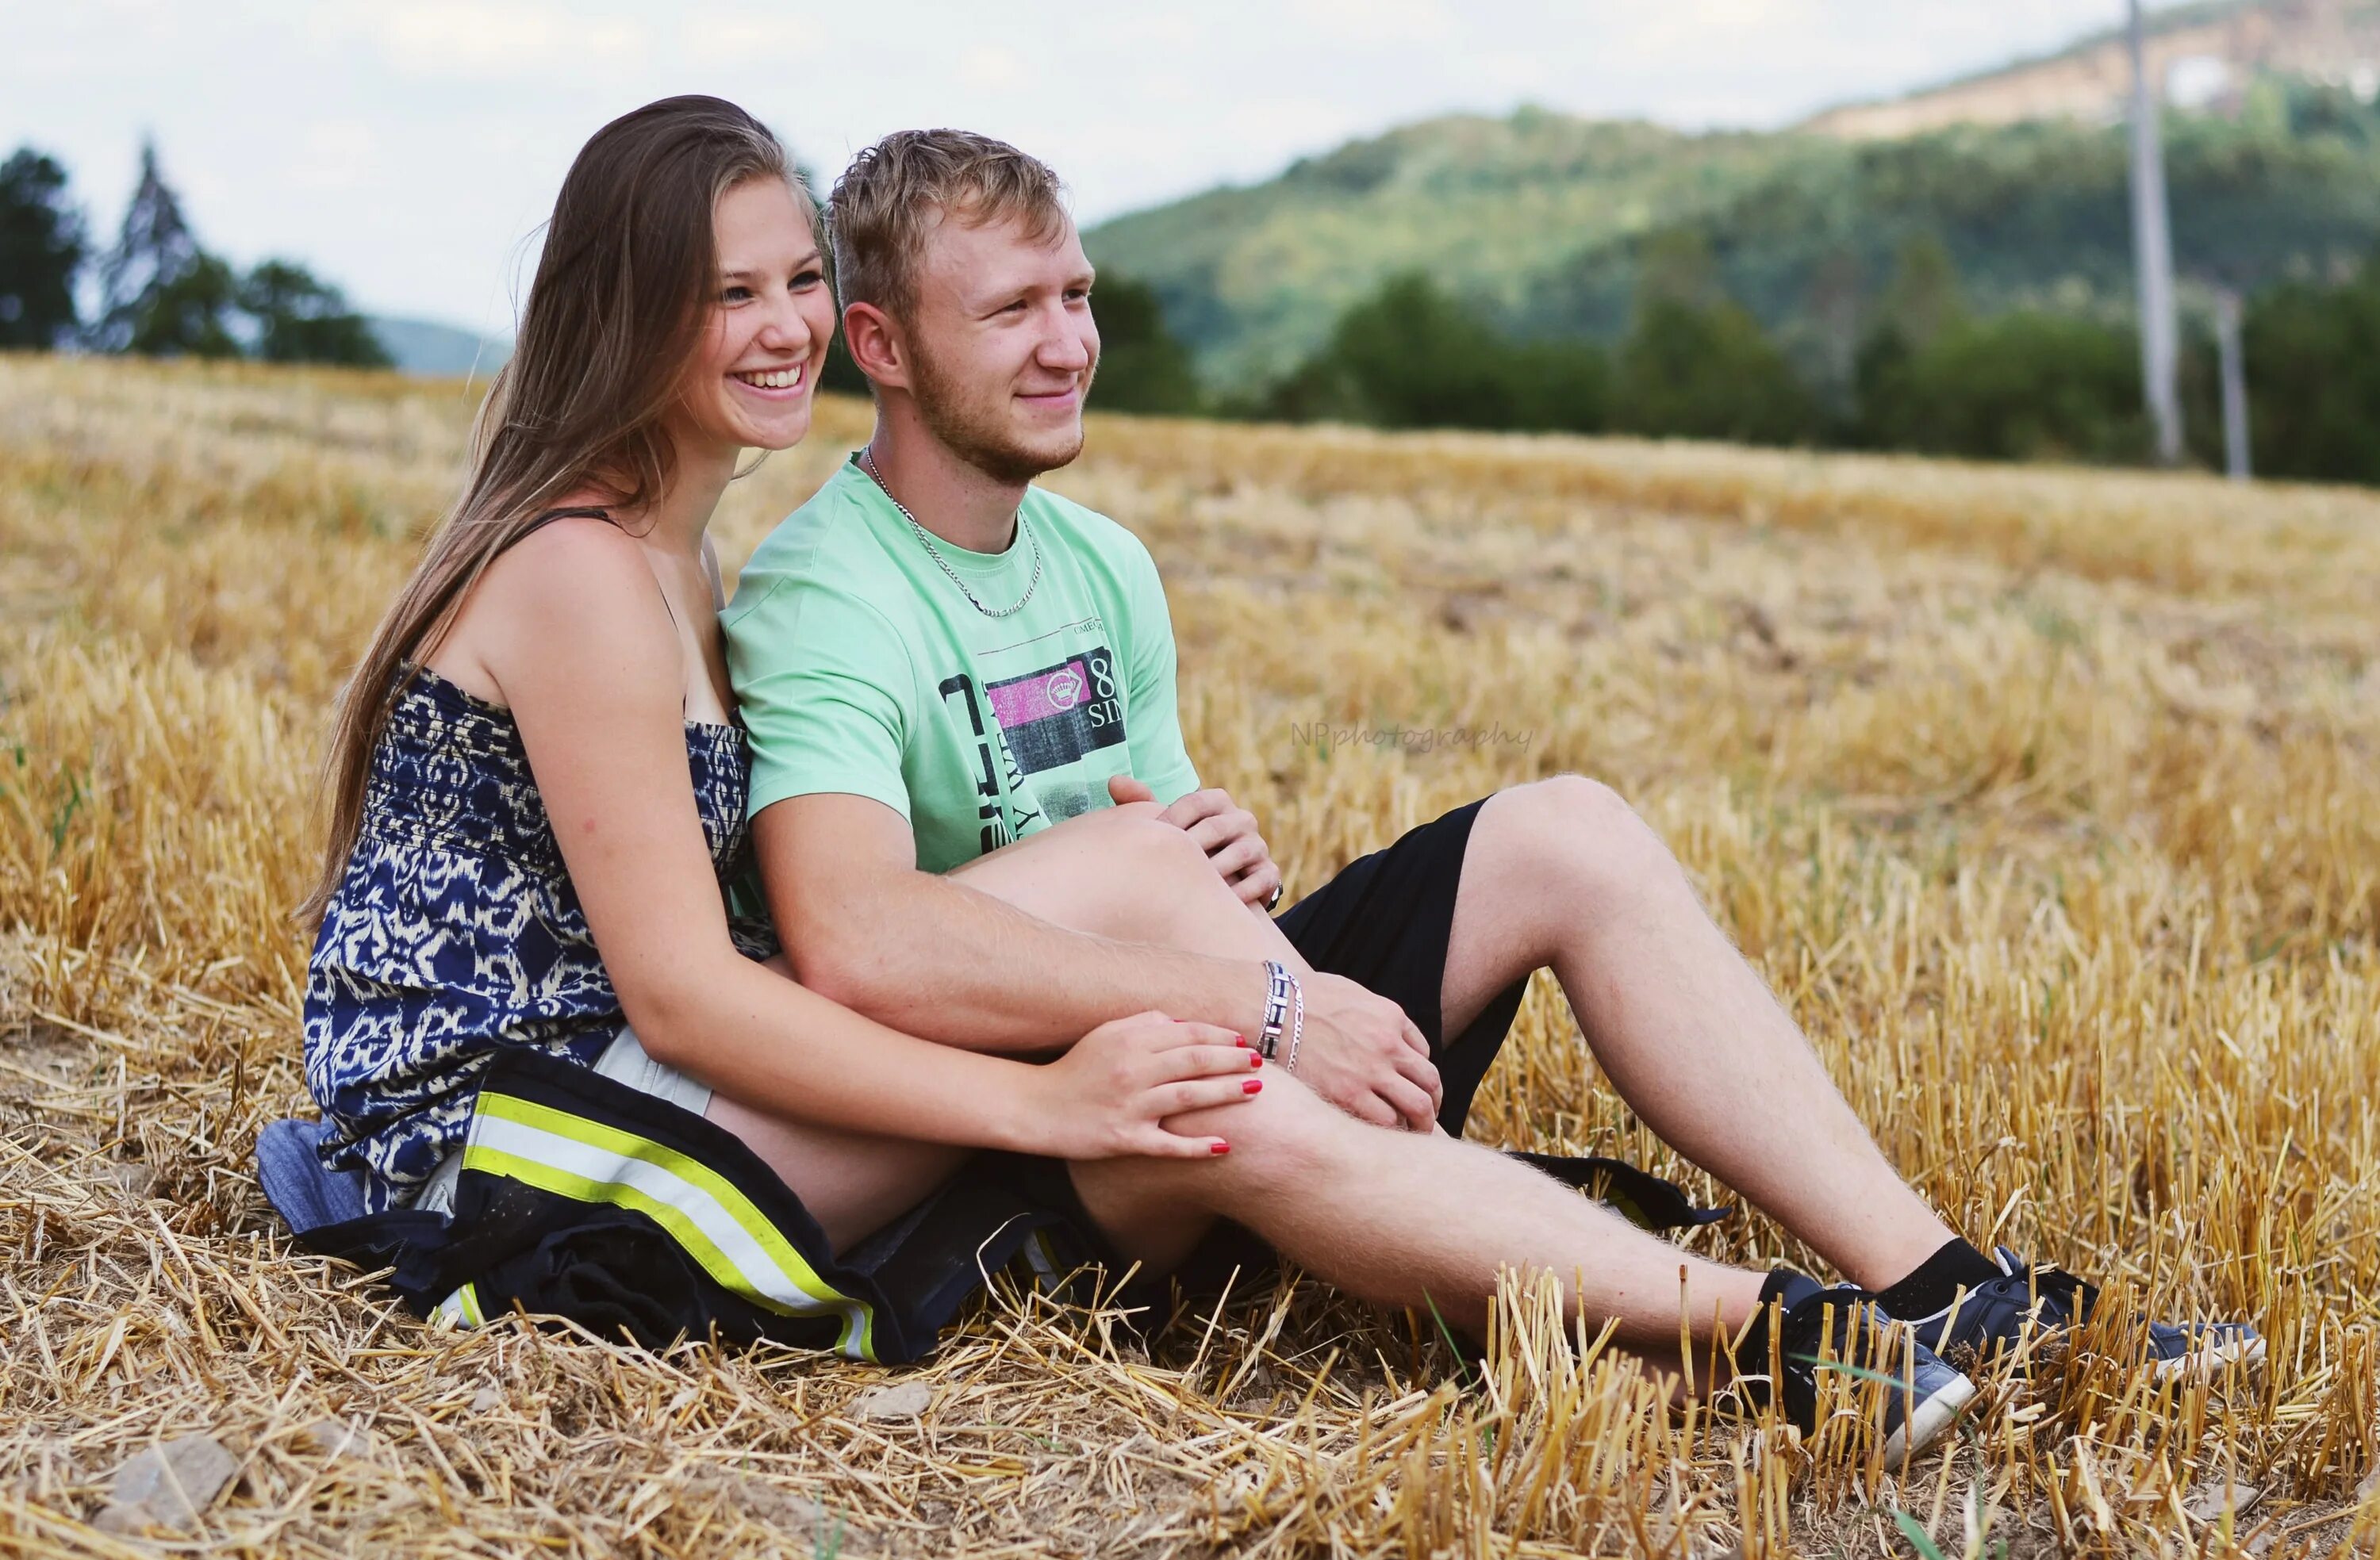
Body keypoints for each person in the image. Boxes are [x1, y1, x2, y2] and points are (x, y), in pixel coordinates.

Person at [716, 128, 2263, 1432]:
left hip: (1192, 1005)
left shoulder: (1101, 563)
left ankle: (1945, 1288)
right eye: (1013, 312)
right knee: (1252, 1021)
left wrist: (1219, 859)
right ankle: (1719, 1324)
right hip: (1041, 1123)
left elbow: (1150, 845)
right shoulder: (825, 595)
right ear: (884, 347)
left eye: (1079, 295)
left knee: (1567, 831)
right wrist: (1255, 998)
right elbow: (860, 946)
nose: (1069, 343)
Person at [280, 97, 1270, 1366]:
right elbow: (687, 1001)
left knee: (1042, 966)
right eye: (728, 294)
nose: (789, 326)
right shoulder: (579, 572)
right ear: (625, 312)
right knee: (1051, 1022)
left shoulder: (677, 555)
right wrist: (1037, 1104)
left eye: (801, 278)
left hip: (608, 1080)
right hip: (485, 1157)